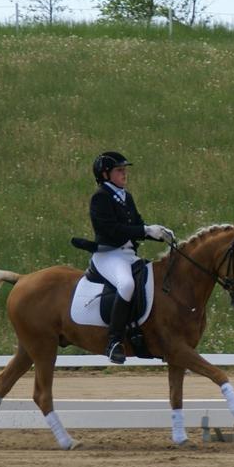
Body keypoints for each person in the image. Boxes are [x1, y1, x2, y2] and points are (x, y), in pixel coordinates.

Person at [89, 151, 173, 364]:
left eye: (124, 170)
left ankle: (142, 332)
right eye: (119, 170)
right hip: (108, 255)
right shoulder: (100, 197)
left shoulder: (126, 196)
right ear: (106, 174)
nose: (124, 173)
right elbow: (112, 229)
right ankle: (114, 341)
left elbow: (136, 224)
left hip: (127, 255)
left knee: (152, 281)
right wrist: (145, 230)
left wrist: (159, 233)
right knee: (126, 285)